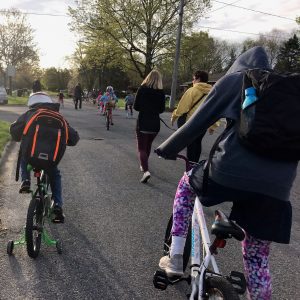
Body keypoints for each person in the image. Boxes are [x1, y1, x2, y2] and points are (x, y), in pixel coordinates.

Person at [155, 47, 297, 300]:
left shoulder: (235, 80)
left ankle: (175, 257)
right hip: (278, 187)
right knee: (257, 258)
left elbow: (196, 124)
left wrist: (167, 149)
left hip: (228, 171)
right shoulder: (286, 93)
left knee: (186, 187)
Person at [10, 92, 80, 223]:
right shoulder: (59, 117)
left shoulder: (30, 114)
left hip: (31, 157)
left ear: (32, 104)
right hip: (50, 161)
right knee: (55, 175)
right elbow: (74, 138)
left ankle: (25, 181)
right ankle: (58, 204)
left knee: (24, 156)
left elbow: (14, 131)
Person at [171, 70, 219, 163]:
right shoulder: (213, 92)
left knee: (191, 145)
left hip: (191, 122)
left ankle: (190, 169)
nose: (193, 81)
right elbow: (215, 109)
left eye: (193, 79)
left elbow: (183, 108)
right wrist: (213, 126)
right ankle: (195, 166)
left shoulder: (192, 90)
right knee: (197, 144)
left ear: (198, 79)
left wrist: (174, 116)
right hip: (203, 124)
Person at [134, 69, 165, 183]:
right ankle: (144, 165)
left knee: (141, 148)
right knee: (148, 145)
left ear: (148, 77)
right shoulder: (161, 92)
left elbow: (136, 107)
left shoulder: (142, 89)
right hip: (155, 124)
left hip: (143, 122)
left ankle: (146, 171)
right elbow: (161, 110)